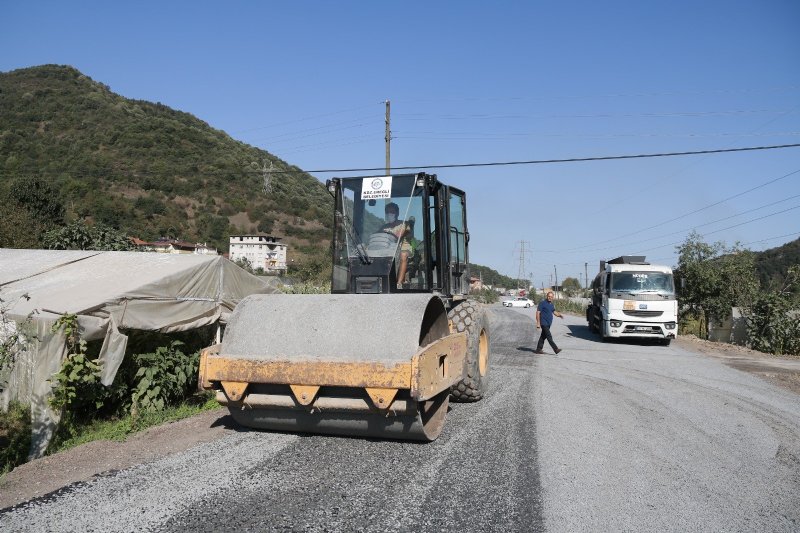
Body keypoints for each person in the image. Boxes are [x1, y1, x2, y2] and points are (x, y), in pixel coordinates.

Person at [380, 202, 414, 288]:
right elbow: (377, 236)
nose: (389, 214)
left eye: (392, 212)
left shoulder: (405, 224)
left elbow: (406, 234)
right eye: (387, 212)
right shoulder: (383, 227)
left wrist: (401, 233)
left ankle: (398, 283)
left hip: (403, 247)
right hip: (388, 248)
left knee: (403, 255)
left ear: (397, 213)